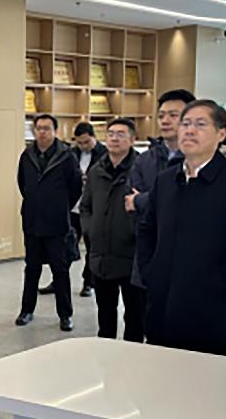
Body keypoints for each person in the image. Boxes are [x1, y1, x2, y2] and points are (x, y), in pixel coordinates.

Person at [137, 100, 226, 356]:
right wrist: (150, 272)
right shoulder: (166, 181)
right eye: (185, 124)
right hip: (162, 307)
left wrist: (221, 282)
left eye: (200, 124)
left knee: (210, 378)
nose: (189, 130)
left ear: (221, 134)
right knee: (159, 373)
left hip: (212, 313)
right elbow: (147, 230)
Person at [16, 114, 83, 331]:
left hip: (57, 223)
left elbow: (75, 188)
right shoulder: (27, 155)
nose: (42, 132)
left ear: (55, 131)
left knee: (60, 270)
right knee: (32, 269)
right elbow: (22, 184)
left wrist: (59, 205)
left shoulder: (67, 156)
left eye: (47, 128)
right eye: (39, 128)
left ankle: (65, 314)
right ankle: (26, 310)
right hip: (33, 221)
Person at [80, 117, 144, 342]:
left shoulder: (141, 170)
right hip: (101, 255)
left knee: (135, 316)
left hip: (132, 256)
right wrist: (90, 230)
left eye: (120, 134)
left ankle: (132, 358)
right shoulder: (96, 171)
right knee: (105, 315)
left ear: (132, 139)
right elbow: (86, 206)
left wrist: (133, 231)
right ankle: (106, 358)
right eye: (110, 134)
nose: (114, 138)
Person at [39, 122, 105, 298]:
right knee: (64, 247)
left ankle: (89, 282)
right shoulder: (70, 153)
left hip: (93, 209)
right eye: (79, 142)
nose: (83, 146)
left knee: (92, 248)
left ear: (94, 137)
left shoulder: (104, 154)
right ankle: (58, 281)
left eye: (86, 142)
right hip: (72, 207)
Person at [124, 89, 194, 217]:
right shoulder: (144, 160)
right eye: (161, 116)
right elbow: (131, 203)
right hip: (148, 228)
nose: (165, 121)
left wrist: (143, 200)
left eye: (173, 115)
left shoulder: (198, 159)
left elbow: (189, 203)